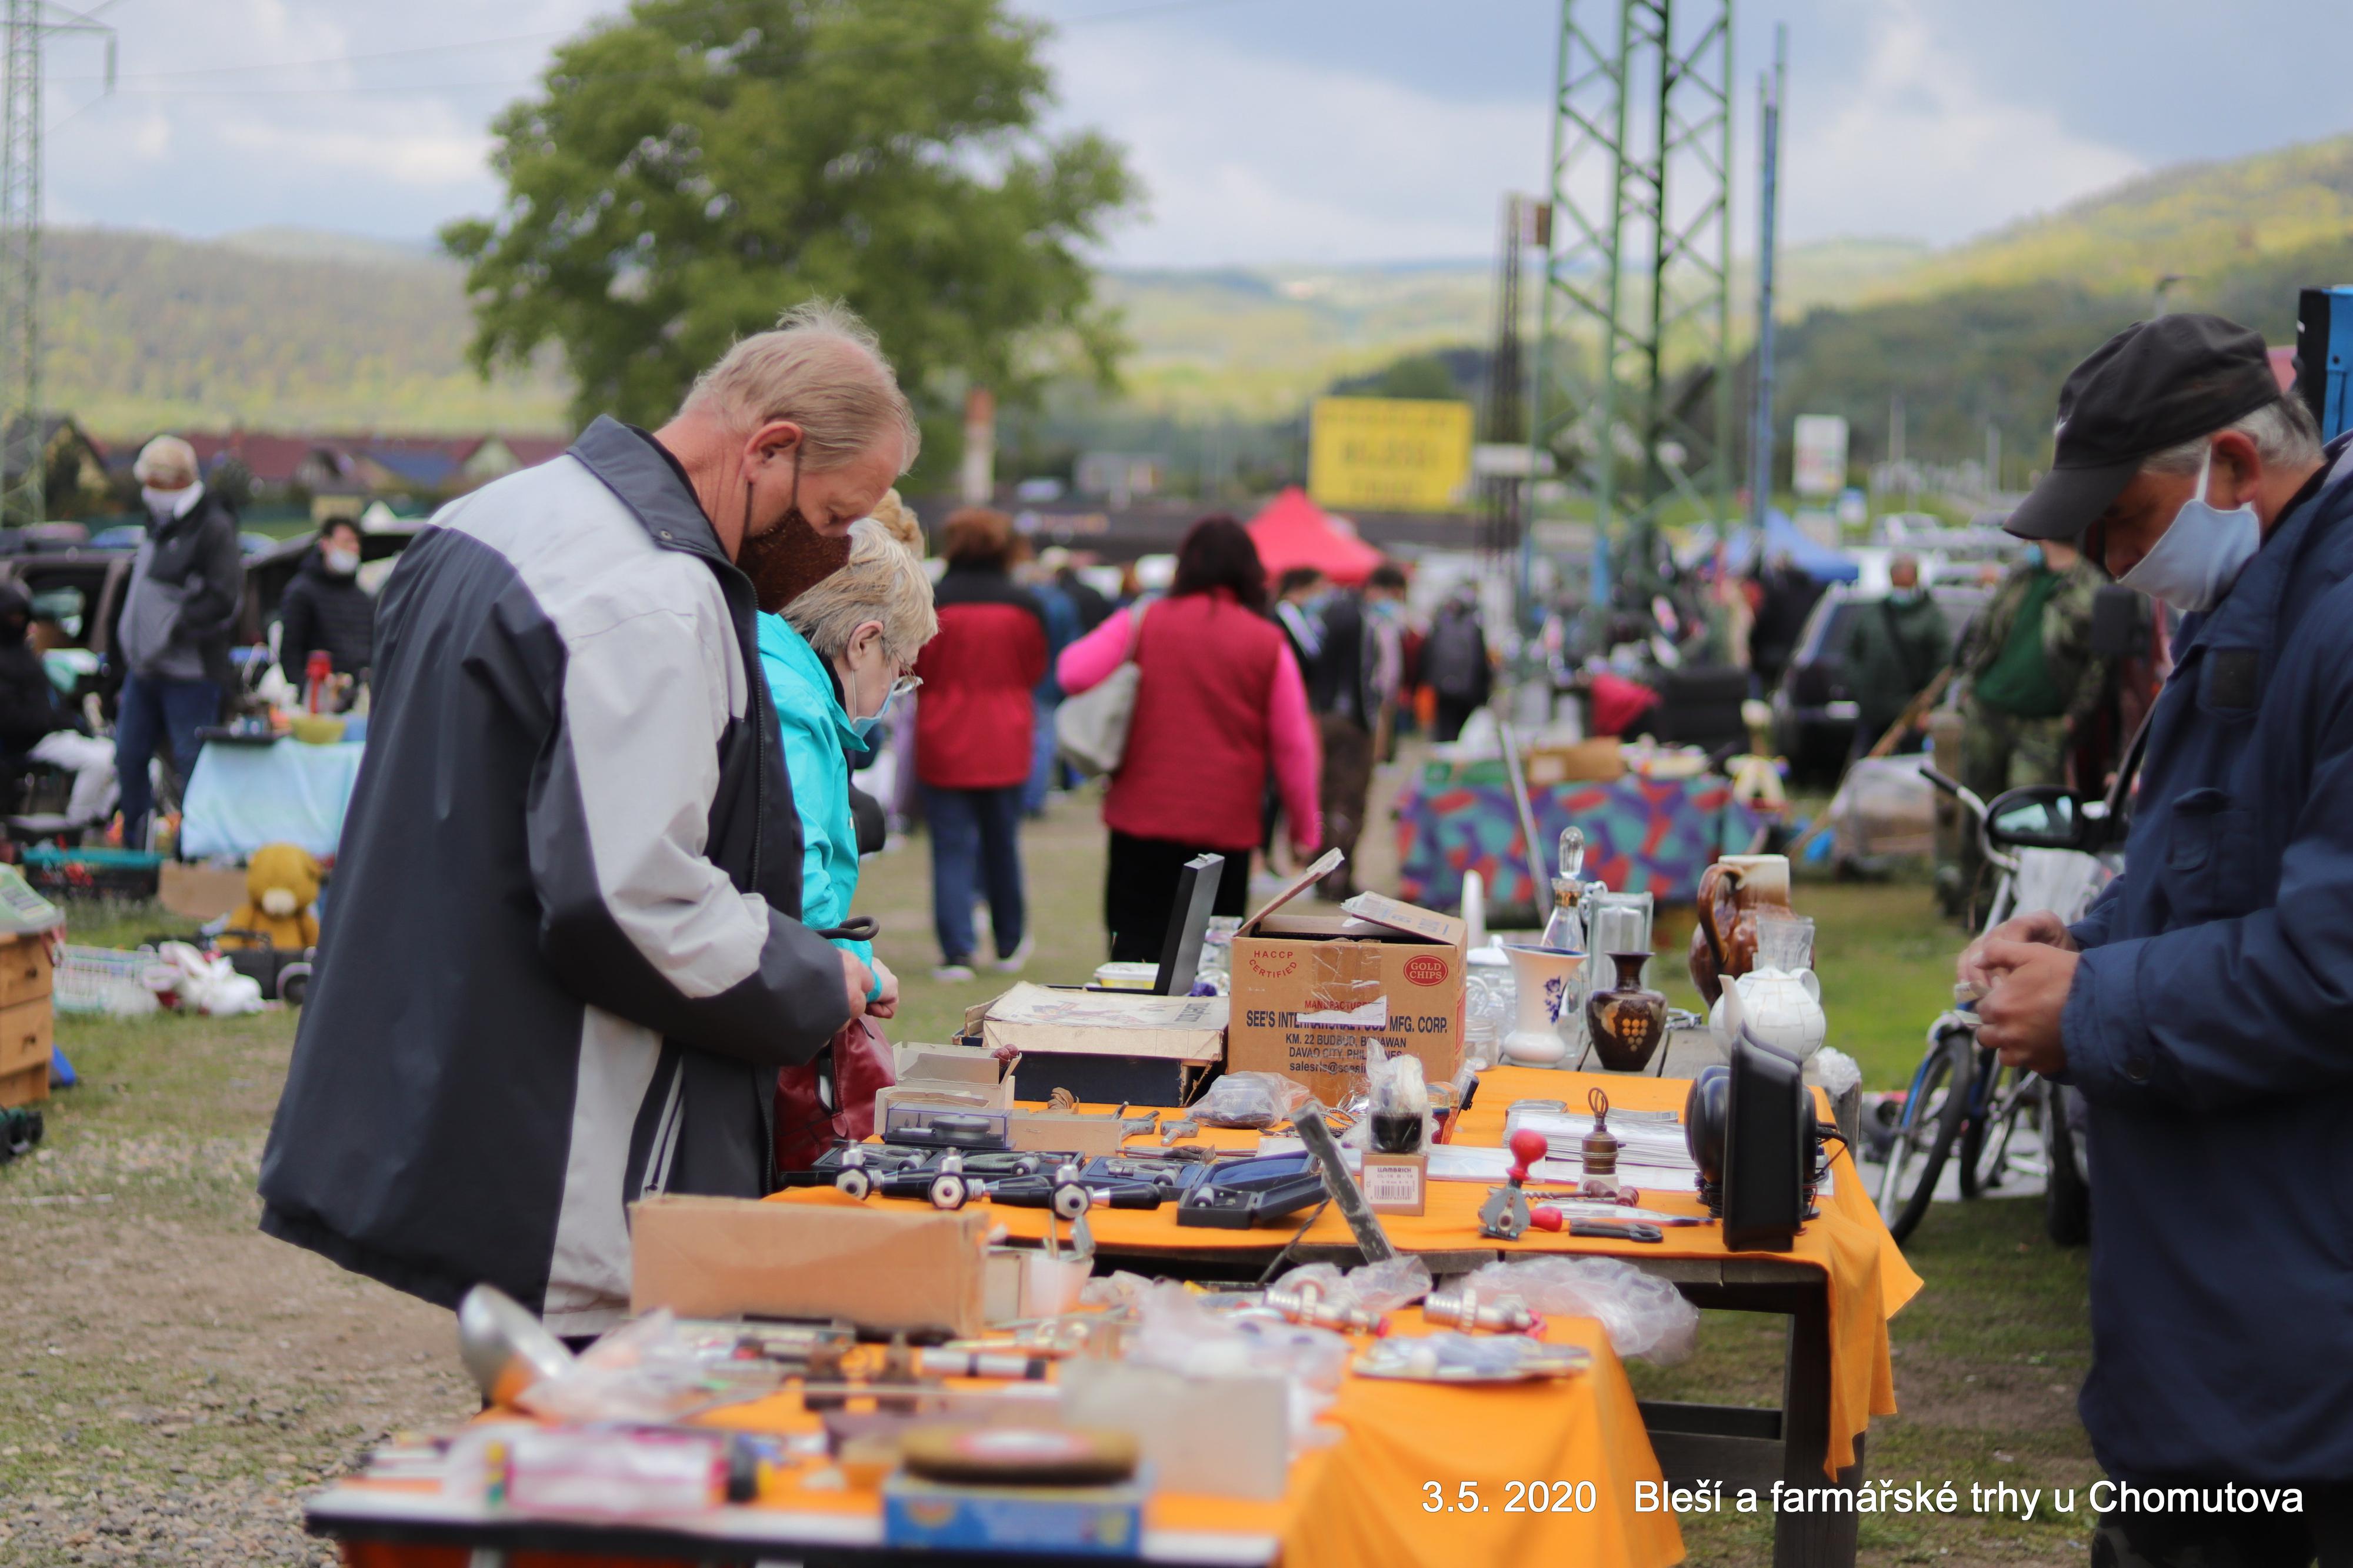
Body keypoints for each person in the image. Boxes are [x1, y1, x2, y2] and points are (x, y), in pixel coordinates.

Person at [258, 302, 915, 1338]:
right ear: (771, 450)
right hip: (571, 1132)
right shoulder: (654, 595)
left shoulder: (497, 515)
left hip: (450, 1071)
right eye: (836, 517)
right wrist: (812, 976)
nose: (833, 556)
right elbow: (630, 894)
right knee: (604, 1447)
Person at [1961, 313, 2353, 1568]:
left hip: (2302, 1351)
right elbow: (2213, 862)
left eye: (2122, 521)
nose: (2107, 561)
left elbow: (2330, 964)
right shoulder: (2264, 604)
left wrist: (2095, 1003)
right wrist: (2077, 938)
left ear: (2229, 467)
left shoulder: (2333, 624)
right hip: (2229, 1324)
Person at [1058, 515, 1320, 962]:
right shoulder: (1267, 643)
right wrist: (1303, 829)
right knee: (1207, 965)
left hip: (1139, 821)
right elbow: (1293, 744)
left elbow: (1073, 672)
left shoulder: (1145, 620)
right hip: (1226, 828)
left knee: (1134, 958)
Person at [913, 507, 1046, 980]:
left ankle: (957, 952)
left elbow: (915, 668)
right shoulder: (1025, 605)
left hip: (943, 733)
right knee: (1002, 843)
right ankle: (1009, 942)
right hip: (1006, 736)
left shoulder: (931, 601)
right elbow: (1034, 670)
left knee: (950, 847)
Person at [1951, 535, 2107, 906]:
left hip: (2043, 723)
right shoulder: (2019, 578)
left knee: (2025, 817)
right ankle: (1974, 900)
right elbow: (1983, 631)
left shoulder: (2092, 588)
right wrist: (1970, 685)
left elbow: (2099, 666)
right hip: (1988, 711)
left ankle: (2017, 902)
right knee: (1977, 810)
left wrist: (2074, 719)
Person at [114, 435, 244, 850]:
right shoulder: (159, 520)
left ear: (174, 483)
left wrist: (173, 627)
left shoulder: (213, 527)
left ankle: (194, 852)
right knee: (128, 758)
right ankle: (136, 848)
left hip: (190, 674)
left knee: (191, 764)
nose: (147, 492)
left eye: (153, 482)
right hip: (144, 671)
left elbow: (225, 597)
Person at [0, 583, 114, 823]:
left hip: (55, 734)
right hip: (30, 743)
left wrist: (72, 723)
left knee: (122, 757)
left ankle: (98, 821)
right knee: (98, 763)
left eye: (23, 616)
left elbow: (50, 702)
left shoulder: (26, 657)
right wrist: (49, 723)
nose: (20, 623)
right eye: (13, 616)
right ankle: (76, 827)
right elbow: (14, 720)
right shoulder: (6, 662)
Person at [1836, 553, 1947, 757]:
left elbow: (1943, 663)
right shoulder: (1873, 614)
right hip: (1873, 711)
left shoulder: (1931, 617)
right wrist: (1860, 690)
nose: (1902, 588)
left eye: (1906, 581)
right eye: (1898, 580)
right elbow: (1851, 654)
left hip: (1910, 714)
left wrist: (1929, 706)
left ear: (1916, 579)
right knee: (1867, 764)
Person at [276, 517, 375, 686]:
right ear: (325, 544)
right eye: (346, 543)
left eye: (356, 543)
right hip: (319, 695)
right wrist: (305, 691)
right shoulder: (302, 592)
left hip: (358, 694)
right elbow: (290, 652)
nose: (353, 548)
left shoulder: (362, 597)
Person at [1422, 586, 1492, 743]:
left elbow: (1428, 655)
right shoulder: (1474, 627)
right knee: (1464, 733)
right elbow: (1482, 661)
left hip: (1443, 687)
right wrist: (1484, 693)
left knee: (1445, 730)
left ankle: (1445, 760)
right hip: (1468, 689)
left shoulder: (1440, 624)